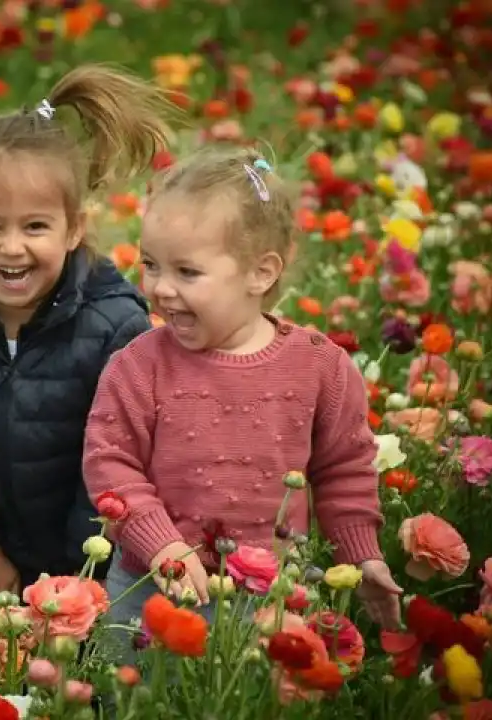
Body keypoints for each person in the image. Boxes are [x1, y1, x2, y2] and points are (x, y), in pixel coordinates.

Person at [83, 147, 403, 655]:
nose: (160, 289)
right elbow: (110, 464)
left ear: (260, 273)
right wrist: (159, 542)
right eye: (150, 265)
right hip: (151, 588)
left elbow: (344, 471)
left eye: (187, 272)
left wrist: (362, 557)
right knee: (136, 699)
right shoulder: (138, 365)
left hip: (270, 596)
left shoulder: (318, 366)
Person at [0, 64, 174, 611]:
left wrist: (76, 570)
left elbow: (117, 461)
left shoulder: (113, 328)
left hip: (102, 557)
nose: (11, 248)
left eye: (34, 227)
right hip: (1, 550)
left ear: (73, 228)